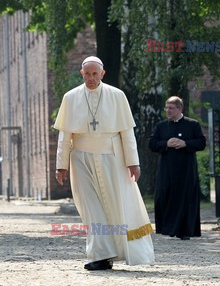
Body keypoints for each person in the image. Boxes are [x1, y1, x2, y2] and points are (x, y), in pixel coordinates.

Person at [55, 56, 154, 271]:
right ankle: (100, 255)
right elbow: (65, 136)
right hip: (81, 159)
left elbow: (127, 132)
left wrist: (133, 162)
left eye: (95, 74)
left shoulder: (117, 96)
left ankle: (122, 251)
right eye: (87, 74)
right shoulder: (70, 98)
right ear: (82, 74)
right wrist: (60, 165)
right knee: (91, 208)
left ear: (102, 74)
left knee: (117, 205)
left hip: (112, 158)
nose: (91, 78)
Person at [149, 96, 206, 240]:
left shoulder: (192, 125)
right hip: (166, 169)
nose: (168, 111)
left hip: (186, 169)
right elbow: (152, 144)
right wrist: (166, 144)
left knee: (185, 197)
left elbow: (201, 143)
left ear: (180, 109)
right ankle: (166, 228)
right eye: (166, 108)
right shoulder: (161, 126)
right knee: (164, 196)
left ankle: (185, 230)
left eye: (171, 108)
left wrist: (185, 143)